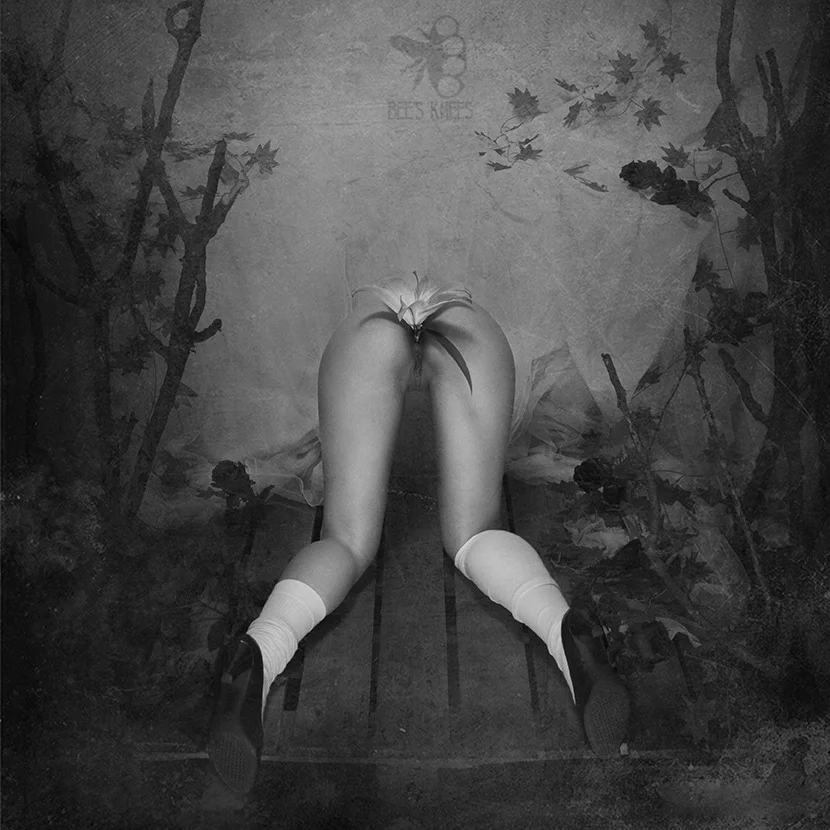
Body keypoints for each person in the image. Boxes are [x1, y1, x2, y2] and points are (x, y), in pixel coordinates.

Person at [207, 274, 630, 794]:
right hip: (465, 324)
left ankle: (258, 652)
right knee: (475, 531)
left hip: (367, 330)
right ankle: (568, 635)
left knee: (346, 541)